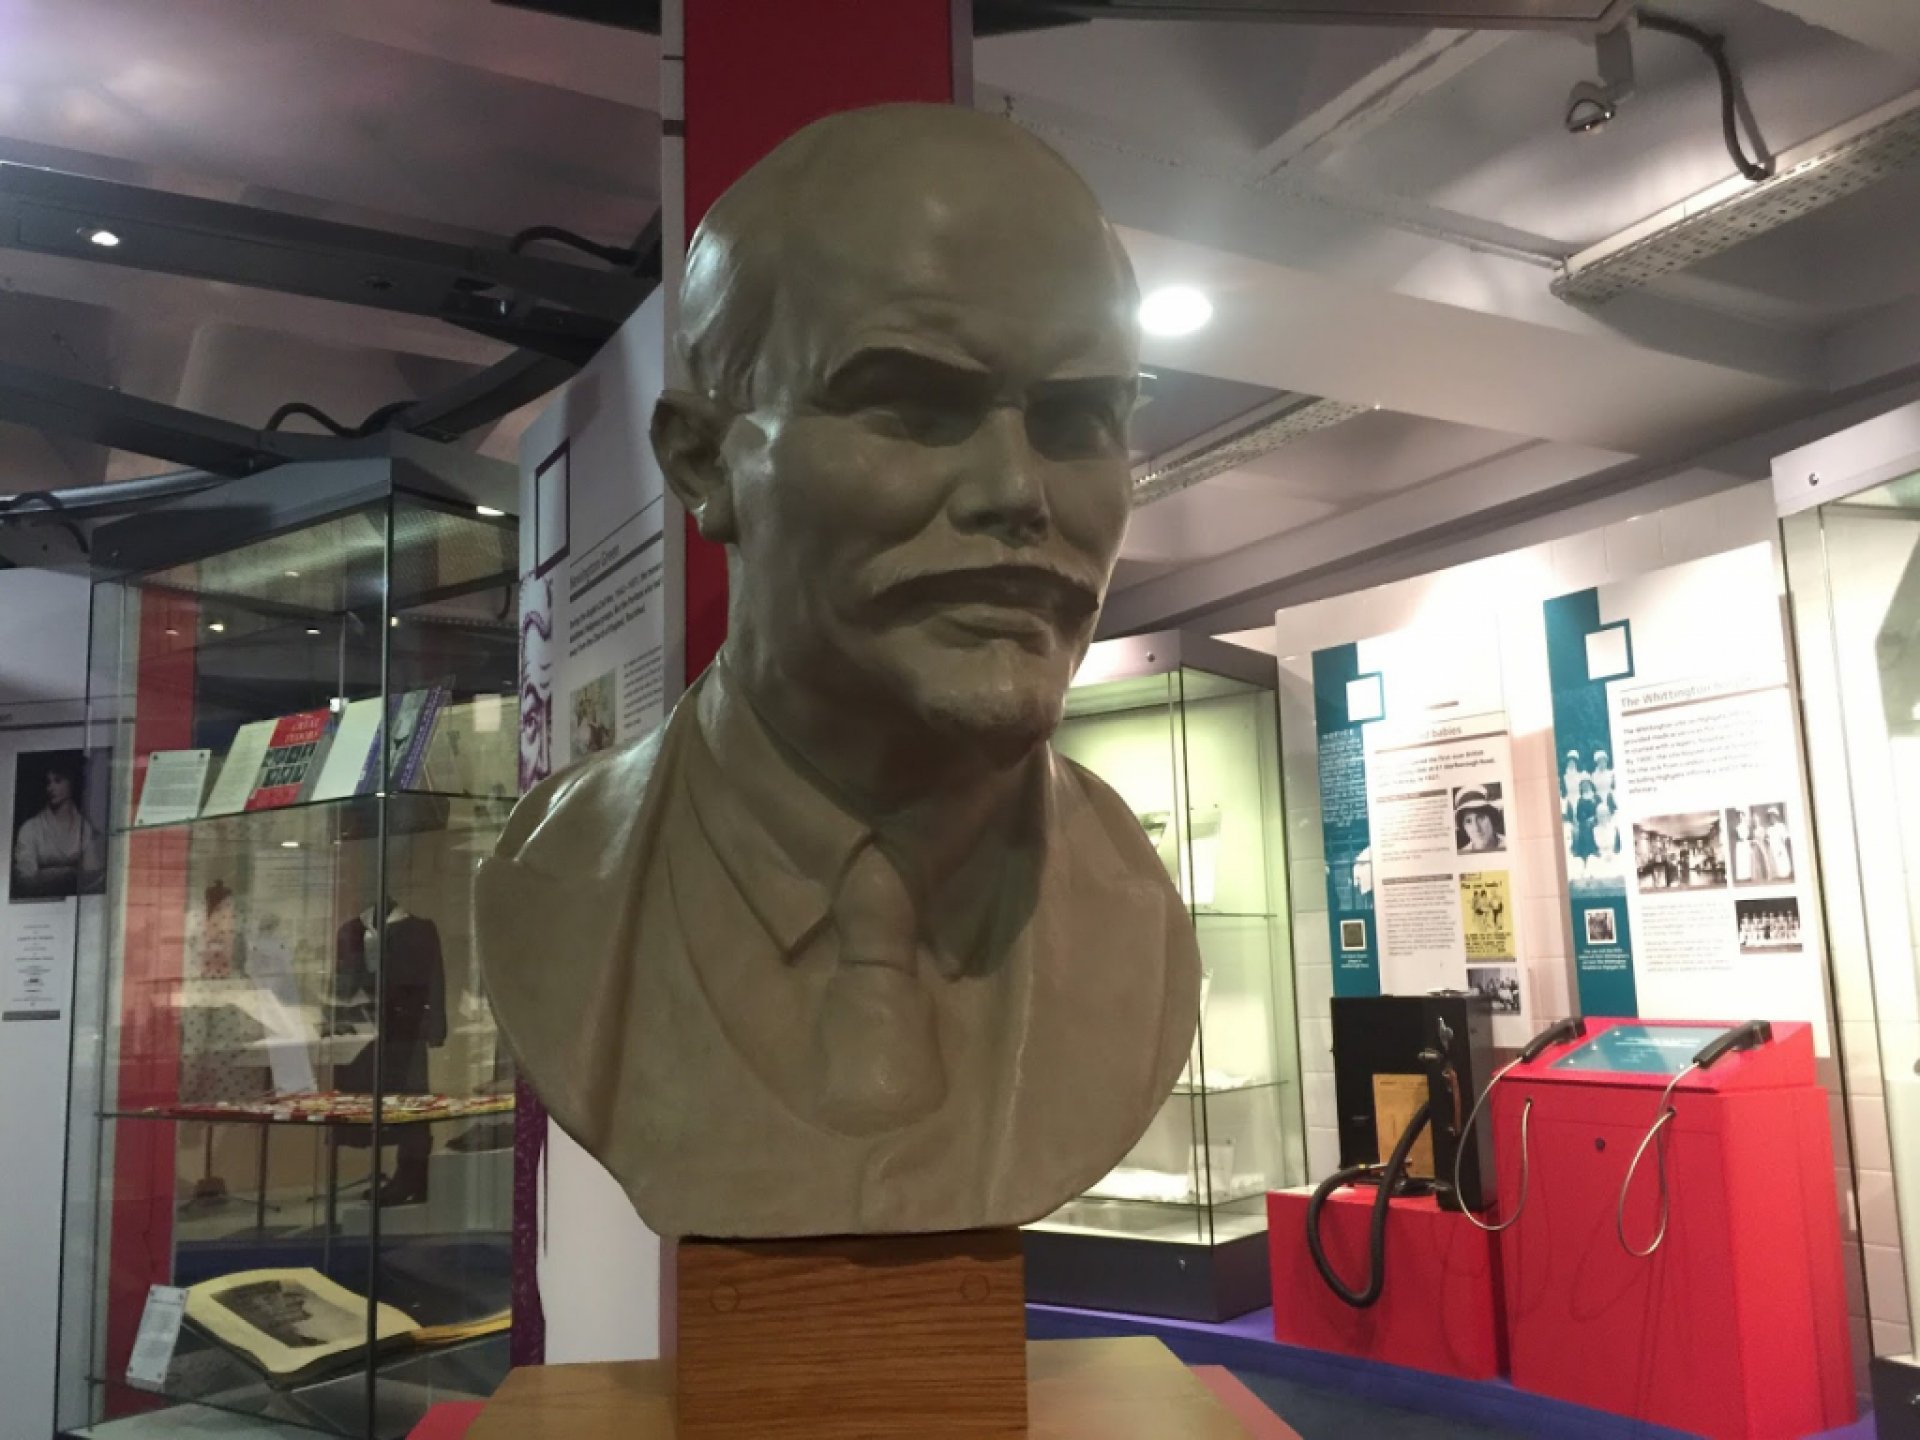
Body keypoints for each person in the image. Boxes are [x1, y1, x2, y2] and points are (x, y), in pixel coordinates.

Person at [475, 107, 1200, 1240]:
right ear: (705, 464)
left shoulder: (1136, 917)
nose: (1018, 492)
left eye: (1080, 418)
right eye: (910, 407)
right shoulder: (557, 888)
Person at [12, 756, 104, 899]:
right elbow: (25, 879)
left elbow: (92, 875)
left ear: (72, 783)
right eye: (48, 783)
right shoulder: (30, 829)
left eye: (58, 780)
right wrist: (69, 872)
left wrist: (48, 873)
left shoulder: (85, 828)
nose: (51, 788)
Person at [1456, 788, 1505, 854]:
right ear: (1464, 827)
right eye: (1468, 821)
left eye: (1481, 818)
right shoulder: (1462, 853)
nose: (1476, 828)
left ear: (1492, 818)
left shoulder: (1510, 844)